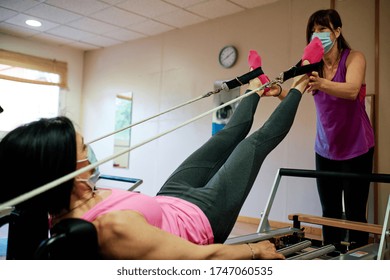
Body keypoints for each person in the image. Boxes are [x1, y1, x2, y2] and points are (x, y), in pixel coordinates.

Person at [0, 56, 316, 260]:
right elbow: (199, 258)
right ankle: (302, 82)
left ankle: (254, 88)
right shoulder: (112, 228)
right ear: (63, 171)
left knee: (225, 137)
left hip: (171, 198)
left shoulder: (59, 206)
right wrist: (253, 250)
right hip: (204, 218)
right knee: (254, 145)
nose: (91, 154)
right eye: (84, 149)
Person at [301, 9, 374, 250]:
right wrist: (274, 91)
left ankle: (359, 259)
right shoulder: (311, 65)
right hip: (325, 149)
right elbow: (291, 91)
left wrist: (320, 83)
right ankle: (331, 258)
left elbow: (352, 90)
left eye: (323, 29)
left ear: (337, 31)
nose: (317, 34)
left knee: (354, 211)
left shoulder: (354, 58)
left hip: (357, 147)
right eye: (313, 30)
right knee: (329, 211)